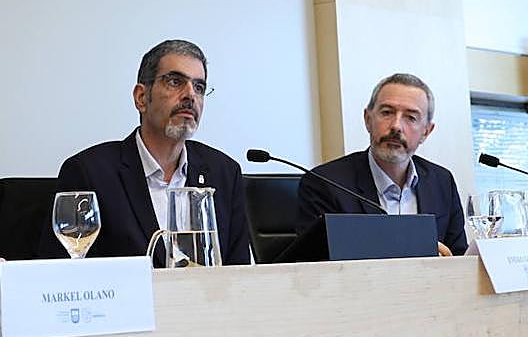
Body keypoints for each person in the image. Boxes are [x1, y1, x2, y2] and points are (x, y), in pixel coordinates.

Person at [39, 40, 253, 265]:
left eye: (199, 87)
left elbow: (239, 273)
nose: (190, 95)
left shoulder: (224, 173)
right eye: (175, 82)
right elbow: (60, 272)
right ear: (141, 98)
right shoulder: (89, 173)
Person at [296, 73, 467, 256]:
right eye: (387, 113)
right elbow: (316, 263)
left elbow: (459, 255)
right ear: (368, 119)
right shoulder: (325, 183)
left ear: (426, 131)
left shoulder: (442, 182)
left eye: (410, 117)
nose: (396, 126)